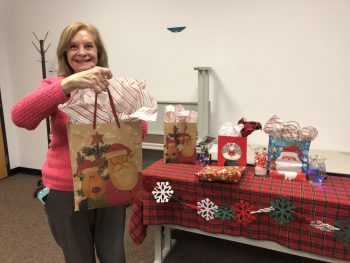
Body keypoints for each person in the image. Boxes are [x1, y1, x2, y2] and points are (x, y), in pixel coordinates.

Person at [11, 22, 147, 263]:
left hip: (110, 184)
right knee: (77, 257)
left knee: (114, 254)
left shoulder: (112, 89)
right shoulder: (55, 87)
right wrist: (69, 84)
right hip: (65, 189)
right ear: (65, 52)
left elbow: (140, 132)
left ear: (98, 52)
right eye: (73, 46)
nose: (82, 52)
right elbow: (20, 117)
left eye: (88, 46)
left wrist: (126, 118)